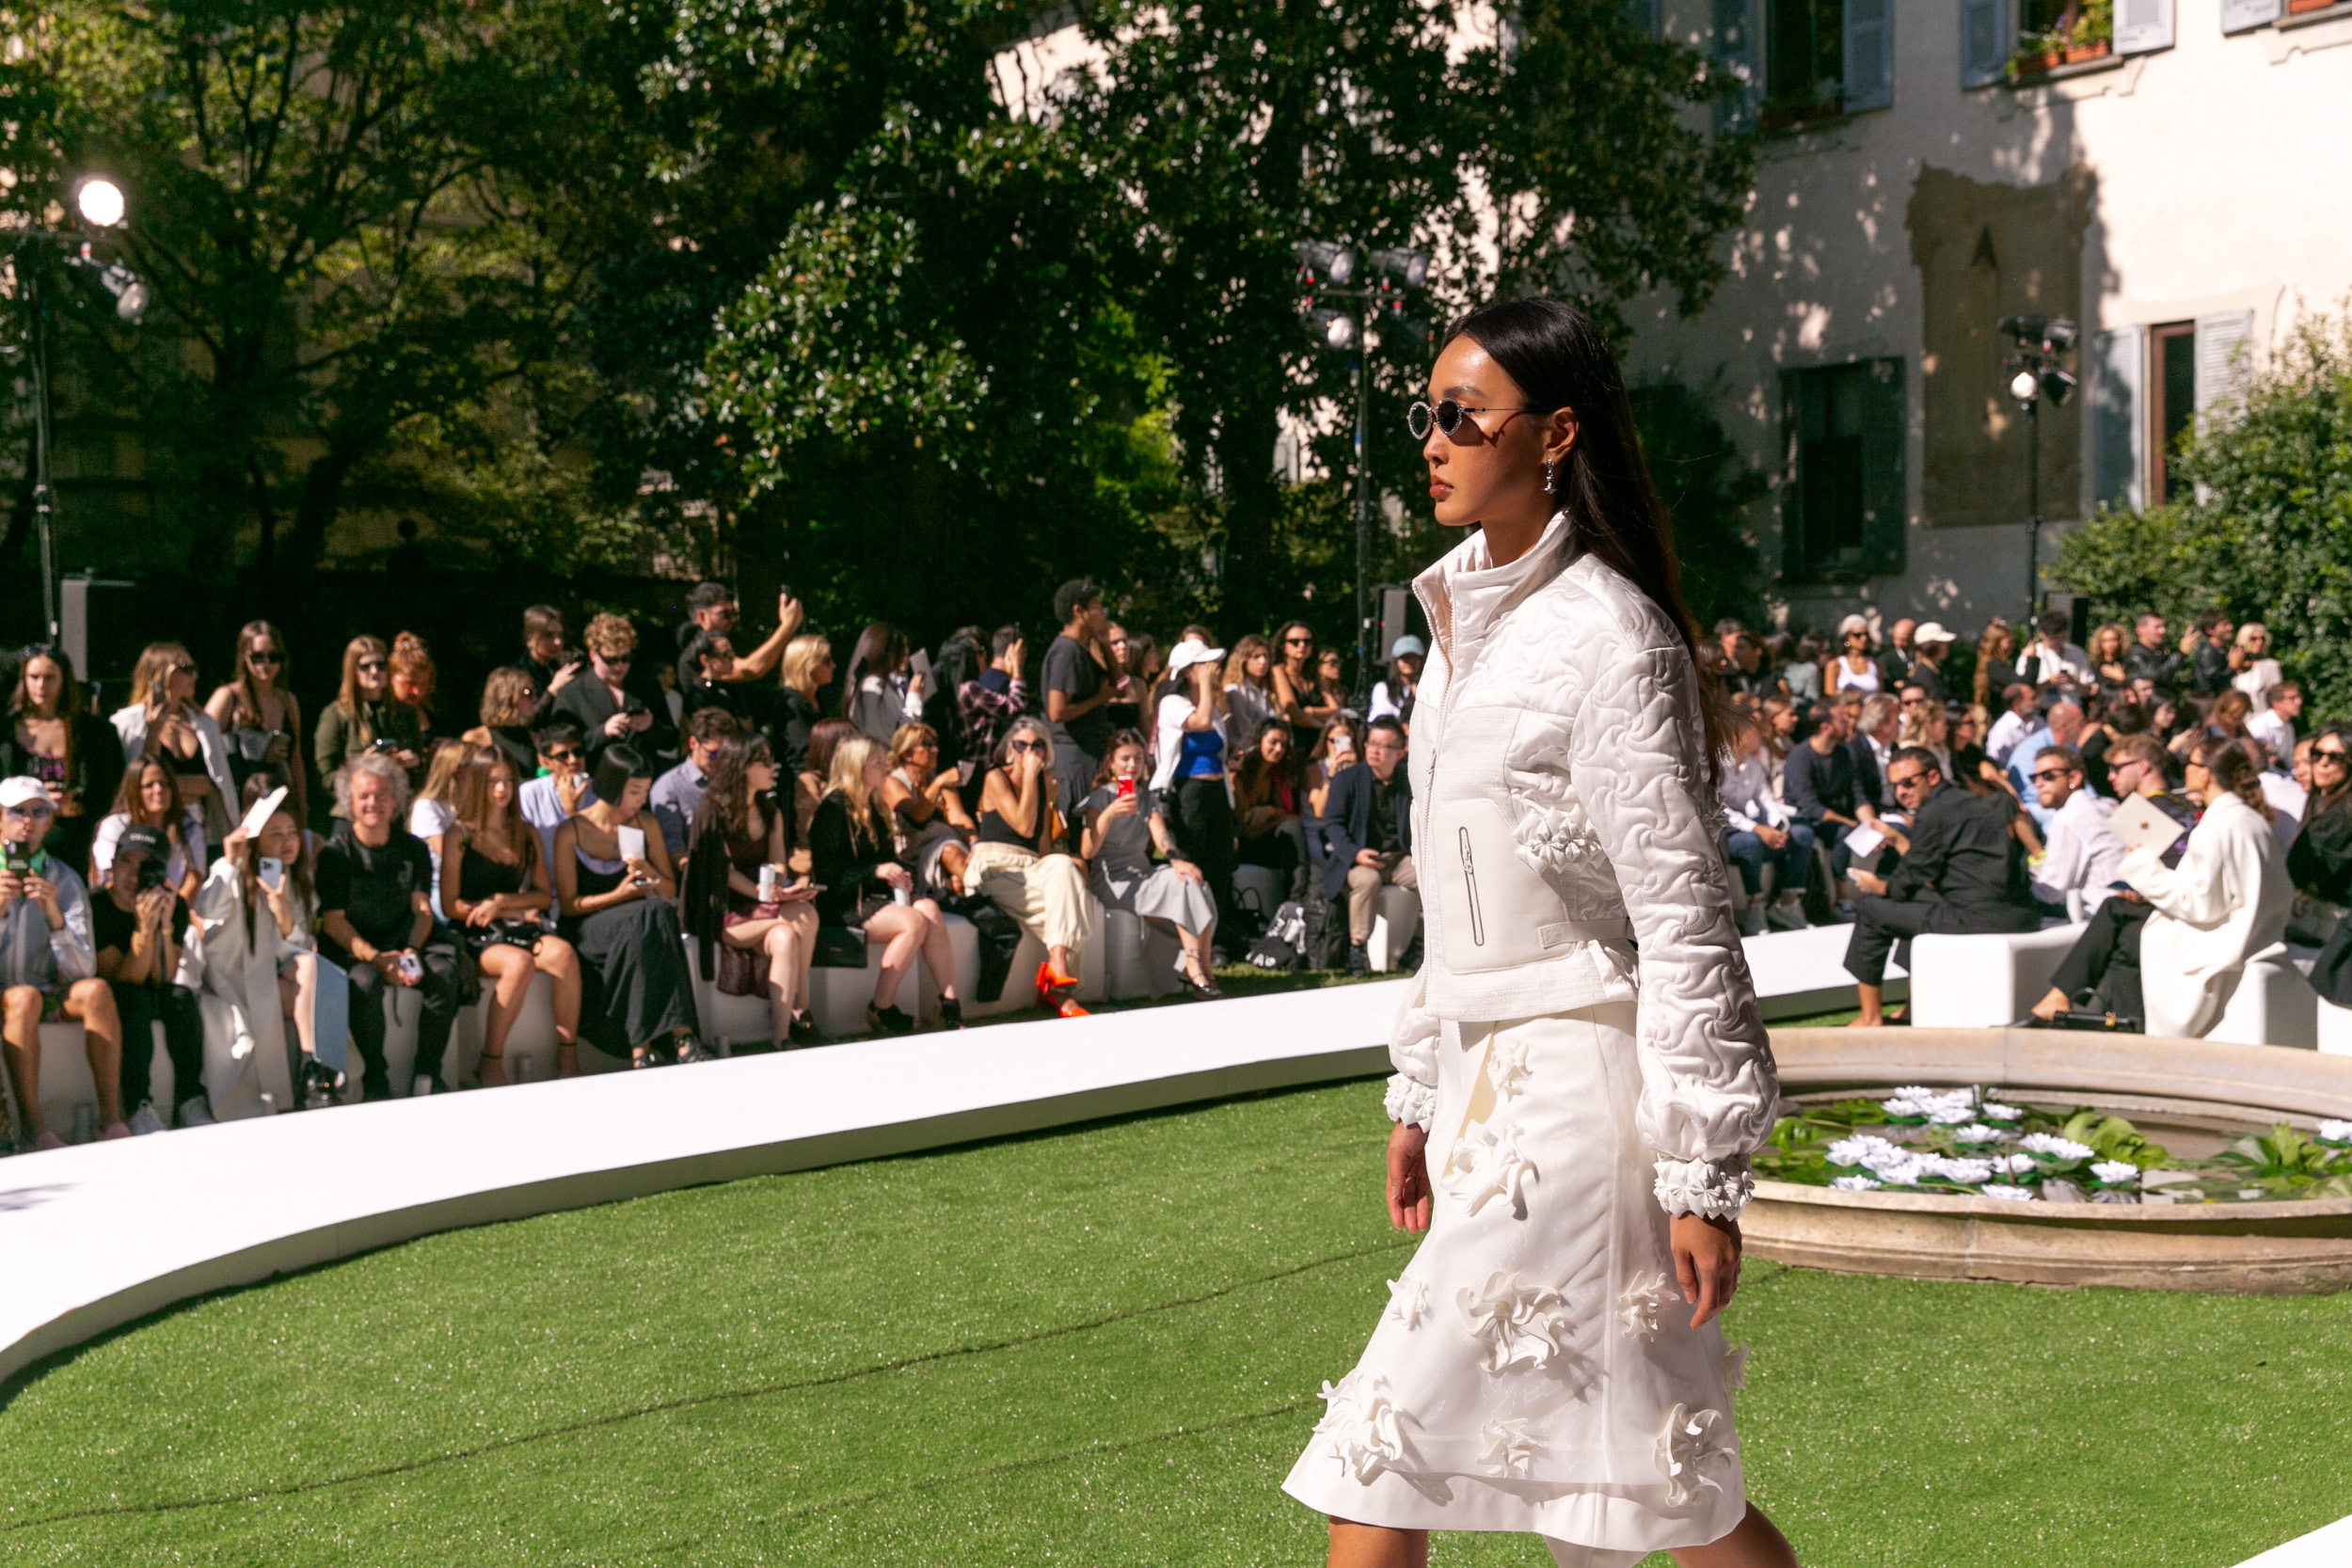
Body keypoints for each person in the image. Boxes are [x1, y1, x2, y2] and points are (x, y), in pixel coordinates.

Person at [1288, 297, 1792, 1568]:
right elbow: (1455, 900)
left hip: (1573, 1107)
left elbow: (1685, 917)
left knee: (1379, 1452)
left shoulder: (1615, 642)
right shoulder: (1457, 640)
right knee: (1649, 1489)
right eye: (1427, 414)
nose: (1433, 440)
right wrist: (1419, 1088)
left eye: (1461, 414)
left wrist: (1701, 1170)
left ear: (1557, 431)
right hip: (1485, 1095)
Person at [1842, 748, 2041, 1027]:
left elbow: (1909, 879)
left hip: (1978, 918)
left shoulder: (1936, 812)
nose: (1901, 792)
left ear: (1932, 776)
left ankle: (1870, 1017)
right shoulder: (1970, 802)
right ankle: (1913, 1007)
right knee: (1910, 907)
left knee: (1871, 909)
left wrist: (1881, 887)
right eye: (1895, 785)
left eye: (1908, 782)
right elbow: (1932, 872)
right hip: (2017, 912)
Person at [2114, 737, 2292, 1038]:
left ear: (2205, 773)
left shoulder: (2219, 825)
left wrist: (2141, 865)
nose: (2183, 772)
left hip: (2220, 948)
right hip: (2255, 935)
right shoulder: (2250, 820)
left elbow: (2198, 903)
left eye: (2188, 765)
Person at [315, 752, 464, 1101]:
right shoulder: (335, 854)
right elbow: (334, 922)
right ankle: (376, 1079)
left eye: (381, 794)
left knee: (444, 972)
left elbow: (423, 910)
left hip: (404, 937)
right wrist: (379, 958)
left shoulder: (414, 849)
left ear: (395, 799)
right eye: (363, 796)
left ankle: (428, 1072)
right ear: (349, 802)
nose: (373, 803)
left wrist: (410, 951)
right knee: (363, 985)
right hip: (354, 946)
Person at [551, 744, 708, 1068]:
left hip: (640, 920)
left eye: (645, 792)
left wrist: (650, 872)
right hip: (590, 922)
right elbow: (569, 905)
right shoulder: (572, 831)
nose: (641, 800)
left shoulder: (644, 824)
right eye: (634, 791)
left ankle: (644, 1049)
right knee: (650, 915)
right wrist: (619, 894)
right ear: (612, 787)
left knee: (657, 913)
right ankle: (683, 1038)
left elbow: (666, 890)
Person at [189, 787, 340, 1117]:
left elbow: (297, 951)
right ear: (257, 841)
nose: (288, 842)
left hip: (272, 978)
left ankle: (314, 1070)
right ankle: (316, 1074)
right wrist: (230, 862)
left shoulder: (293, 881)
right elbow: (206, 908)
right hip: (233, 981)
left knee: (313, 969)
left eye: (292, 834)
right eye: (276, 834)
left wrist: (283, 912)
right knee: (310, 976)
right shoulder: (229, 872)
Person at [2030, 733, 2199, 1025]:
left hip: (2157, 913)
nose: (2110, 777)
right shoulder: (2183, 806)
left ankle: (2089, 1013)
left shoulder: (2140, 813)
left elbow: (2054, 888)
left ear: (2143, 766)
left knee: (2115, 924)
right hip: (2166, 913)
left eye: (2118, 768)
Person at [438, 748, 582, 1085]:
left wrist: (502, 903)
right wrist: (493, 909)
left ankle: (568, 1055)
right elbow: (449, 905)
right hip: (476, 932)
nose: (501, 790)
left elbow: (545, 896)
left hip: (515, 924)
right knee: (519, 964)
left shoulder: (525, 832)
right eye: (492, 782)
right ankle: (490, 1061)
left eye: (507, 782)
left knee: (563, 954)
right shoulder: (458, 835)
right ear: (477, 783)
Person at [0, 777, 124, 1148]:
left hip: (44, 991)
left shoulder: (65, 880)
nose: (28, 820)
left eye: (39, 811)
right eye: (18, 811)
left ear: (50, 821)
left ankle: (111, 1119)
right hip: (10, 997)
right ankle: (34, 1128)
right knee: (23, 998)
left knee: (96, 991)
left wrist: (55, 917)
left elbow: (83, 969)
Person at [809, 735, 962, 1035]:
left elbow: (888, 859)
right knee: (913, 921)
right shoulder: (832, 810)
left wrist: (901, 876)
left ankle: (950, 1003)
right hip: (842, 904)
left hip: (872, 897)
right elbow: (829, 875)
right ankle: (881, 1007)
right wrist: (876, 871)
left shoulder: (874, 806)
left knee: (929, 907)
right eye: (878, 763)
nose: (885, 769)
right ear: (856, 768)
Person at [683, 733, 823, 1047]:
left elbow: (778, 860)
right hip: (725, 906)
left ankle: (788, 1026)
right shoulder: (713, 811)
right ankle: (797, 1017)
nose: (772, 767)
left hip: (761, 899)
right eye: (764, 761)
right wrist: (765, 893)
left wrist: (780, 888)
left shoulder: (770, 810)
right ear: (742, 767)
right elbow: (725, 872)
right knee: (792, 924)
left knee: (800, 919)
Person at [968, 717, 1095, 1018]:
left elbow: (1040, 846)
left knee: (1067, 874)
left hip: (1028, 867)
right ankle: (1060, 993)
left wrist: (1068, 864)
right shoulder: (995, 778)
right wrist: (1028, 779)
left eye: (1037, 746)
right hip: (994, 865)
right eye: (1021, 745)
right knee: (1078, 908)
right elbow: (1024, 826)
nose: (1029, 752)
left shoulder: (1045, 783)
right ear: (1009, 750)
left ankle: (1057, 965)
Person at [1082, 732, 1222, 998]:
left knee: (1191, 881)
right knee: (1181, 885)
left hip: (1143, 875)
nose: (1132, 765)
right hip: (1114, 882)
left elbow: (1161, 836)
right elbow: (1088, 850)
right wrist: (1111, 812)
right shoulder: (1099, 798)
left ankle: (1198, 969)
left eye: (1137, 758)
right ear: (1111, 762)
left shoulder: (1145, 797)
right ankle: (1198, 971)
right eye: (1125, 759)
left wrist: (1176, 860)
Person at [92, 823, 209, 1133]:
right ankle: (137, 1106)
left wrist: (166, 924)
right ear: (112, 865)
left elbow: (163, 977)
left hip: (148, 989)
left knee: (180, 997)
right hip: (113, 997)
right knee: (135, 999)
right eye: (126, 863)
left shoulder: (174, 905)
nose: (133, 876)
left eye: (146, 867)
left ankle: (190, 1098)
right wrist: (144, 930)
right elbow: (123, 976)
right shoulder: (97, 907)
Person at [0, 643, 121, 879]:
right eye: (34, 677)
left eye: (50, 677)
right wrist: (35, 801)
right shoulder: (6, 732)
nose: (41, 686)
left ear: (65, 680)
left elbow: (111, 787)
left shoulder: (93, 732)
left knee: (67, 903)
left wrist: (75, 806)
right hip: (18, 840)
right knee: (20, 894)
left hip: (72, 840)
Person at [1150, 641, 1236, 941]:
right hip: (1189, 792)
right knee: (1193, 860)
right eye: (1203, 666)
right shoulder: (1173, 703)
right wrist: (1205, 687)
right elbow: (1197, 723)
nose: (1212, 670)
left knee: (1220, 862)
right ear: (1188, 673)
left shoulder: (1208, 704)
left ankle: (1216, 936)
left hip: (1216, 791)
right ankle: (1189, 936)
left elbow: (1216, 745)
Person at [114, 641, 239, 842]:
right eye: (185, 669)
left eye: (194, 669)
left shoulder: (204, 723)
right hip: (150, 829)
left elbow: (214, 782)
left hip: (202, 827)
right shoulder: (126, 724)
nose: (194, 676)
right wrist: (154, 730)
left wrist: (175, 785)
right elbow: (135, 780)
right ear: (160, 674)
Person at [1318, 716, 1415, 977]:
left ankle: (1418, 946)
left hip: (1397, 859)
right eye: (1371, 743)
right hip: (1356, 860)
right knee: (1368, 880)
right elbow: (1333, 824)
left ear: (1399, 753)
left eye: (1383, 746)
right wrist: (1356, 854)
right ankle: (1357, 950)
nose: (1374, 750)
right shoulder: (1347, 779)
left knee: (1432, 877)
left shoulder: (1408, 781)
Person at [203, 621, 307, 820]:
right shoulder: (227, 697)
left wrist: (301, 808)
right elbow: (203, 749)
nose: (266, 664)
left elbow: (296, 759)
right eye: (258, 657)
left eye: (274, 657)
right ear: (244, 658)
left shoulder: (287, 700)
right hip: (239, 801)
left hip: (279, 800)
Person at [1722, 720, 1811, 935]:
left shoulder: (1753, 765)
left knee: (1801, 834)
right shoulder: (1716, 764)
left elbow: (1766, 800)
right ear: (1739, 736)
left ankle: (1787, 904)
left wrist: (1778, 826)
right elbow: (1717, 808)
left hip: (1752, 824)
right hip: (1725, 829)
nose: (1759, 737)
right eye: (1754, 733)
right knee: (1749, 843)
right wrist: (1757, 829)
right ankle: (1755, 906)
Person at [551, 613, 675, 765]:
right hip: (596, 780)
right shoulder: (572, 693)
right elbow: (559, 749)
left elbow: (671, 741)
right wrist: (603, 732)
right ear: (593, 655)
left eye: (625, 658)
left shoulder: (646, 685)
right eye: (611, 659)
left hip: (642, 778)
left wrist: (651, 726)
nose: (619, 666)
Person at [312, 636, 425, 791]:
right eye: (366, 666)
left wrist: (416, 762)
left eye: (381, 665)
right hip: (356, 806)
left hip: (400, 804)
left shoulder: (405, 712)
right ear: (353, 670)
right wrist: (361, 766)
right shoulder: (336, 715)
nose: (374, 671)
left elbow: (424, 772)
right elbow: (324, 777)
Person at [1043, 581, 1117, 815]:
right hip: (1073, 759)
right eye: (1096, 606)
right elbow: (1056, 712)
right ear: (1079, 611)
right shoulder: (1067, 651)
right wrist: (1099, 698)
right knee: (1077, 828)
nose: (1102, 613)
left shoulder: (1081, 649)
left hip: (1091, 755)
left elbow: (1122, 685)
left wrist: (1104, 643)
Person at [880, 721, 976, 900]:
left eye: (935, 744)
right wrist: (938, 783)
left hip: (948, 842)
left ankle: (970, 891)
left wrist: (976, 846)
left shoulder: (938, 781)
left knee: (967, 854)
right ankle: (985, 894)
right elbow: (918, 815)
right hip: (914, 851)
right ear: (907, 753)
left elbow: (959, 818)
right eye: (927, 745)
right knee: (949, 851)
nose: (935, 750)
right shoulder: (893, 783)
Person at [93, 754, 207, 904]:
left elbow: (193, 882)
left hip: (174, 911)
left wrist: (170, 914)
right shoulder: (114, 827)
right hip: (123, 908)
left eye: (164, 784)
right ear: (134, 790)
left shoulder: (189, 829)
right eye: (149, 785)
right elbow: (111, 880)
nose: (159, 790)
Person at [2026, 746, 2122, 916]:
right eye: (2034, 778)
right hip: (2123, 907)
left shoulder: (2068, 817)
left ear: (2074, 778)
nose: (2039, 784)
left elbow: (2053, 890)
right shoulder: (2104, 807)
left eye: (2047, 776)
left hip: (2104, 916)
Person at [1233, 718, 1311, 906]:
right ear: (1259, 740)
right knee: (1291, 827)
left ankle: (1296, 901)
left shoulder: (1275, 775)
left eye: (1283, 745)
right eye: (1273, 742)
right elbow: (1243, 826)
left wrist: (1270, 813)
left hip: (1264, 839)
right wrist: (1272, 813)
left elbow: (1285, 814)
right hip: (1240, 843)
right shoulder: (1239, 774)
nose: (1278, 749)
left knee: (1293, 830)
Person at [651, 708, 742, 862]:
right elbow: (673, 849)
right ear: (693, 743)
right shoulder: (669, 788)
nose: (721, 760)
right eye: (713, 753)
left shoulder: (735, 778)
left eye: (727, 754)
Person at [954, 626, 1028, 785]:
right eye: (980, 653)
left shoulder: (976, 685)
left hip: (976, 770)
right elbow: (1015, 707)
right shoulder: (972, 689)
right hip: (981, 772)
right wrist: (1017, 669)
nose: (984, 657)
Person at [409, 738, 474, 918]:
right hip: (437, 886)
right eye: (474, 765)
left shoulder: (472, 804)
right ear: (457, 770)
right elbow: (446, 854)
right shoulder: (427, 807)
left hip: (473, 880)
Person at [841, 621, 925, 747]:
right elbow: (899, 736)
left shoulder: (868, 683)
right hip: (883, 762)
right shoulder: (872, 687)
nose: (901, 658)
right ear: (888, 653)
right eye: (899, 652)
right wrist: (914, 696)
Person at [463, 666, 542, 780]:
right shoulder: (475, 738)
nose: (534, 698)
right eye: (527, 692)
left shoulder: (530, 737)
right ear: (506, 697)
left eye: (534, 692)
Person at [774, 633, 836, 776]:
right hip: (802, 786)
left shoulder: (816, 697)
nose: (833, 665)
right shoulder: (790, 702)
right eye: (826, 661)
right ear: (807, 664)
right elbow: (805, 754)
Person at [1269, 621, 1343, 740]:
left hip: (1318, 740)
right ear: (1283, 647)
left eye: (1307, 642)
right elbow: (1292, 711)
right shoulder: (1278, 671)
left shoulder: (1313, 674)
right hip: (1292, 740)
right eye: (1295, 642)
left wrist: (1309, 711)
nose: (1302, 645)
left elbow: (1334, 709)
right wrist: (1322, 727)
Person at [511, 605, 585, 721]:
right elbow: (525, 720)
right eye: (548, 635)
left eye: (560, 635)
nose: (557, 642)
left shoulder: (559, 667)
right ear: (530, 638)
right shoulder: (517, 675)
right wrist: (551, 691)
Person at [1221, 635, 1279, 754]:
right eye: (1256, 657)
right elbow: (1242, 732)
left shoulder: (1267, 692)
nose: (1263, 661)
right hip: (1243, 755)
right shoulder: (1234, 691)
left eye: (1266, 656)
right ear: (1243, 660)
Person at [2016, 609, 2091, 687]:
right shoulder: (2032, 653)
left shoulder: (2076, 652)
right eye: (2053, 638)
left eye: (2062, 637)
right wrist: (2049, 683)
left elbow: (2088, 690)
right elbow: (2023, 688)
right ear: (2041, 634)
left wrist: (2073, 681)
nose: (2058, 641)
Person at [1366, 636, 1423, 728]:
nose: (1410, 662)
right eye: (1405, 658)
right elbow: (1381, 716)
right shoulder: (1383, 687)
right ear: (1396, 661)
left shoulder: (1426, 688)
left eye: (1414, 658)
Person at [2247, 681, 2301, 771]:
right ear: (2276, 703)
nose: (2298, 702)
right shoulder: (2258, 727)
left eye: (2299, 697)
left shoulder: (2288, 727)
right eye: (2292, 698)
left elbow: (2289, 762)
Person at [1983, 683, 2039, 771]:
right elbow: (2000, 765)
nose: (2037, 702)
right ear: (2016, 704)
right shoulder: (2002, 730)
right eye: (2032, 699)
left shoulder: (2036, 721)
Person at [2124, 612, 2182, 690]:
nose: (2163, 631)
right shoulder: (2135, 654)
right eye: (2157, 627)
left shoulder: (2157, 652)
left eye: (2163, 626)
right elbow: (2156, 678)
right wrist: (2181, 653)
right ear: (2140, 630)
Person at [2230, 622, 2284, 701]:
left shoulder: (2271, 665)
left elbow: (2277, 695)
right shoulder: (2235, 666)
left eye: (2262, 639)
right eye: (2253, 639)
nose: (2259, 642)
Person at [1905, 621, 1955, 703]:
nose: (1946, 645)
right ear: (1930, 646)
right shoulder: (1925, 673)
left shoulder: (1936, 669)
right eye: (1942, 643)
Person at [1830, 614, 1881, 692]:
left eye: (1866, 634)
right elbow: (1830, 697)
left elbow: (1881, 696)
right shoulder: (1835, 665)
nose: (1864, 638)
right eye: (1857, 635)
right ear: (1847, 637)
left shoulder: (1875, 664)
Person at [1971, 618, 2015, 707]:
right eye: (2009, 642)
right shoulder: (1995, 666)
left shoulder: (1988, 663)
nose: (2013, 645)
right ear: (1996, 644)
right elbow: (2017, 682)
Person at [2190, 610, 2235, 696]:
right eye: (2225, 625)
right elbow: (2212, 683)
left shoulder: (2219, 650)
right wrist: (2232, 667)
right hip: (2209, 704)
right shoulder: (2207, 651)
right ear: (2209, 630)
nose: (2230, 627)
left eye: (2229, 624)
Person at [2087, 623, 2131, 693]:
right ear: (2099, 643)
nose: (2110, 644)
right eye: (2105, 641)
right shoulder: (2094, 666)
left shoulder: (2127, 663)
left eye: (2114, 640)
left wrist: (2122, 678)